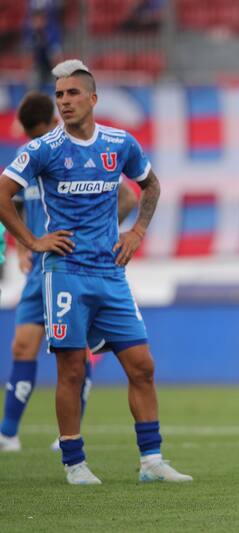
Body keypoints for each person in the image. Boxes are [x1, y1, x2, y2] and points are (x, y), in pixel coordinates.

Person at [0, 59, 191, 485]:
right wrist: (31, 242)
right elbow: (3, 192)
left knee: (142, 364)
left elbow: (151, 184)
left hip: (110, 273)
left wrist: (137, 231)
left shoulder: (120, 143)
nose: (65, 101)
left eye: (72, 94)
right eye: (60, 95)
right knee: (70, 367)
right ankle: (74, 461)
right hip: (65, 271)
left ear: (93, 99)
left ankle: (152, 461)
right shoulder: (43, 149)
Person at [0, 92, 137, 453]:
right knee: (22, 345)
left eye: (38, 131)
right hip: (38, 272)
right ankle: (8, 433)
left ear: (52, 123)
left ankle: (68, 438)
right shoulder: (28, 155)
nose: (33, 139)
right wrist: (24, 245)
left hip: (75, 265)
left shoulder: (74, 151)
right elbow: (15, 205)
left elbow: (127, 197)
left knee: (75, 353)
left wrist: (100, 234)